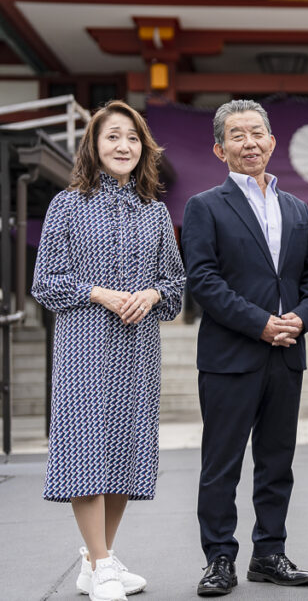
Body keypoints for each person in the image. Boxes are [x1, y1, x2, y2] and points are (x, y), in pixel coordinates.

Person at [32, 100, 185, 601]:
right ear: (94, 147)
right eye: (113, 137)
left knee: (124, 452)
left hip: (137, 348)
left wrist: (153, 294)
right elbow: (46, 282)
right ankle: (100, 564)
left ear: (144, 149)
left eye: (133, 138)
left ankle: (99, 559)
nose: (124, 146)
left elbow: (177, 284)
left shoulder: (156, 211)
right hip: (83, 344)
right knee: (85, 450)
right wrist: (99, 292)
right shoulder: (67, 204)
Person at [181, 100, 308, 596]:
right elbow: (202, 279)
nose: (250, 143)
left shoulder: (296, 209)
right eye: (237, 136)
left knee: (276, 460)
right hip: (230, 356)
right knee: (222, 463)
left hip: (286, 353)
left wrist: (301, 319)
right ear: (220, 149)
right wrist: (260, 323)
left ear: (272, 141)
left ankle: (270, 553)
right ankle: (219, 557)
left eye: (257, 133)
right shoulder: (204, 206)